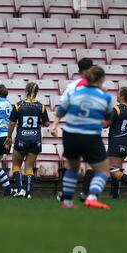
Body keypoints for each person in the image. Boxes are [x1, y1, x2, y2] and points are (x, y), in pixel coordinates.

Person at [50, 66, 113, 209]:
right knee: (103, 171)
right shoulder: (105, 96)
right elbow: (108, 117)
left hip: (70, 134)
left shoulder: (73, 92)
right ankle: (92, 197)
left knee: (72, 167)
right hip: (90, 135)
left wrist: (54, 125)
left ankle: (67, 202)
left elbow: (61, 110)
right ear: (101, 79)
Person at [5, 82, 50, 198]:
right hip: (35, 139)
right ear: (37, 92)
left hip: (21, 138)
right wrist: (39, 122)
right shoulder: (42, 106)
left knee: (16, 165)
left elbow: (12, 123)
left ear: (26, 91)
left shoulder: (18, 105)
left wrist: (9, 137)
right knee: (29, 167)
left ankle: (20, 190)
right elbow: (47, 123)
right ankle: (28, 192)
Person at [61, 57, 95, 201]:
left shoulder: (72, 86)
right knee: (91, 163)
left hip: (73, 128)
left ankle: (66, 195)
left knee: (71, 163)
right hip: (90, 129)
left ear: (78, 70)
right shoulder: (97, 86)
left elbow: (63, 106)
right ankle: (86, 193)